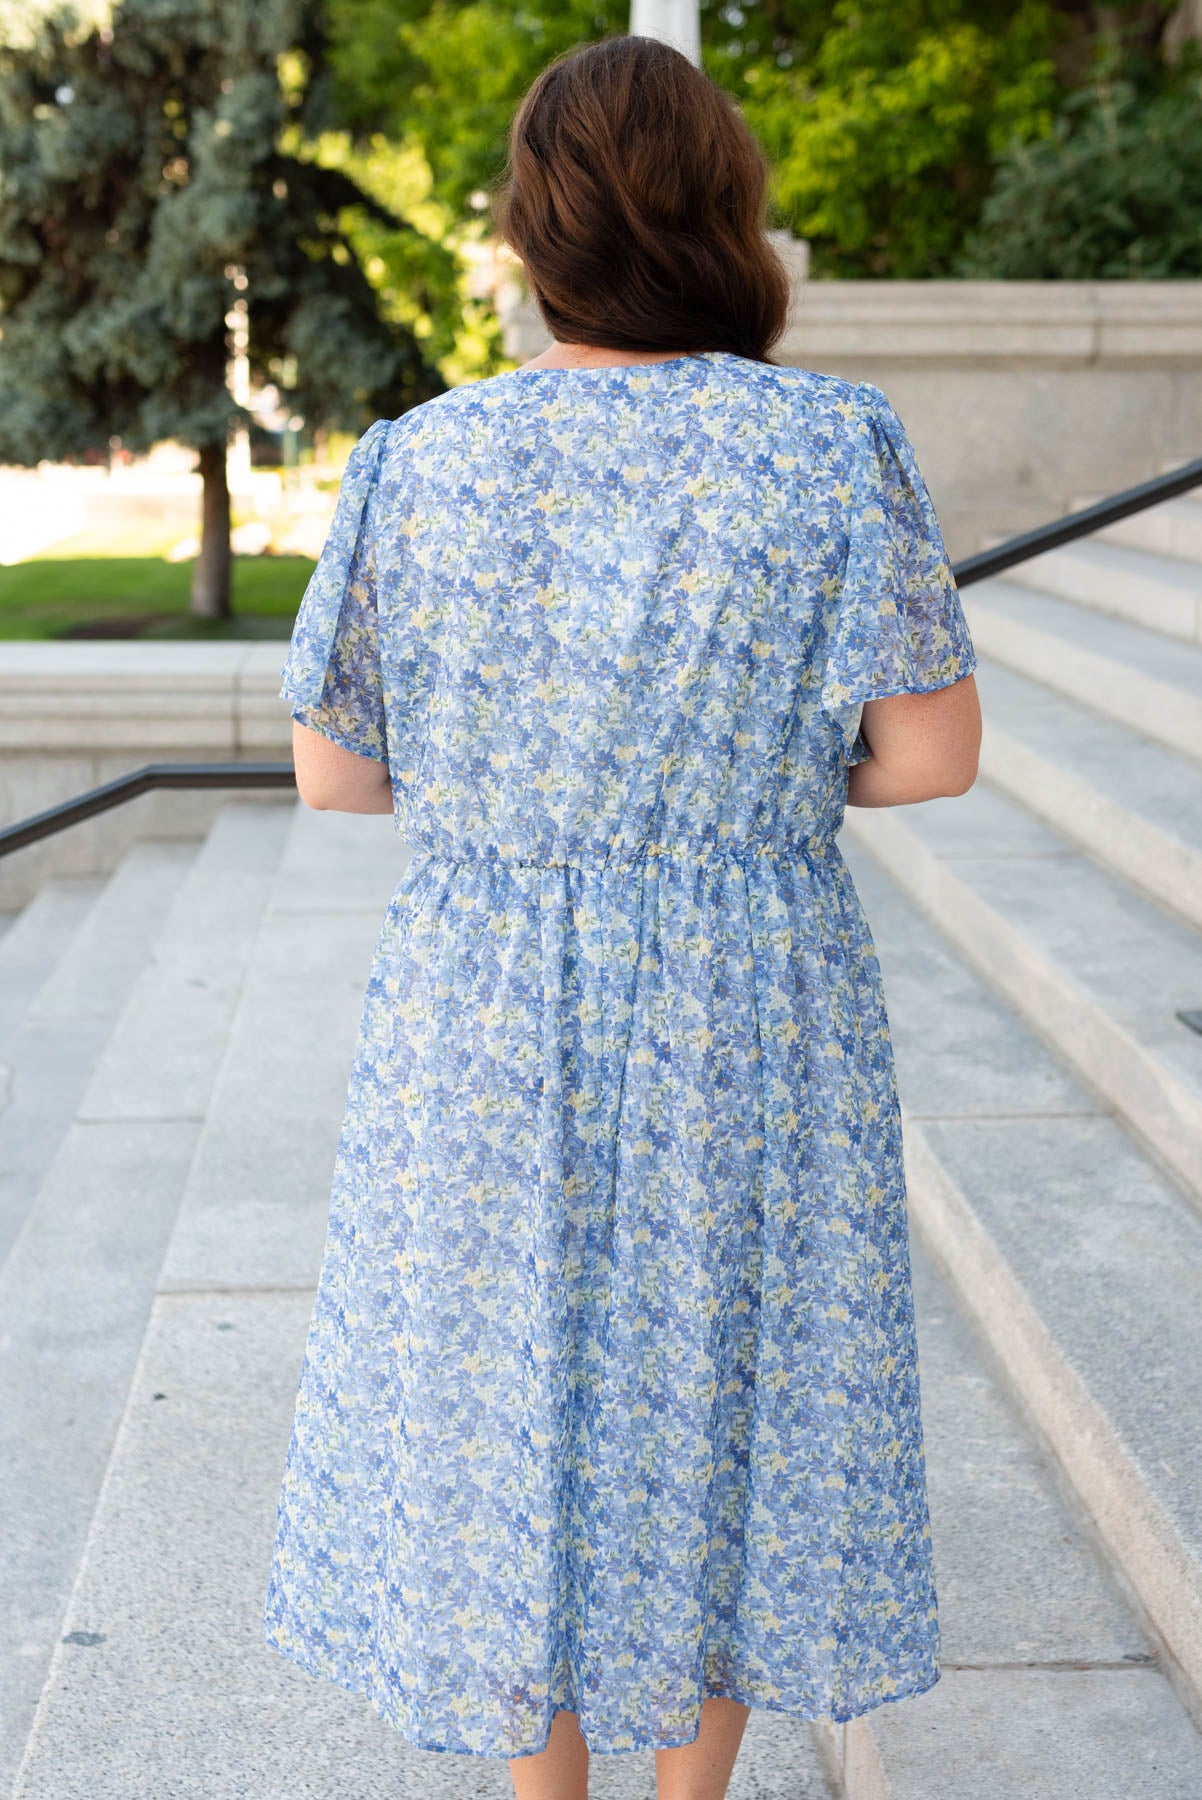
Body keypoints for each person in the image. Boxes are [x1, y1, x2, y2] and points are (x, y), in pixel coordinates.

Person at [261, 32, 981, 1800]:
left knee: (518, 1405)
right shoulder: (828, 444)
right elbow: (934, 755)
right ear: (726, 217)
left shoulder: (417, 461)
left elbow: (337, 777)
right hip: (751, 982)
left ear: (526, 234)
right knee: (725, 1395)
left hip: (487, 998)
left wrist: (533, 802)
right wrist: (751, 798)